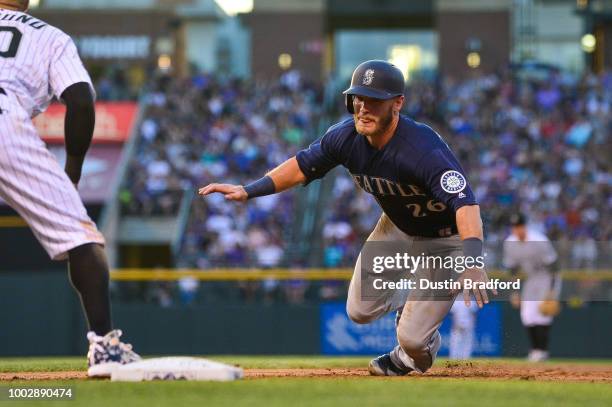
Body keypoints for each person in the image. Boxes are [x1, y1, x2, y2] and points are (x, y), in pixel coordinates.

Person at [200, 60, 496, 375]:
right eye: (358, 98)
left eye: (374, 101)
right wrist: (249, 190)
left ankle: (407, 354)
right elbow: (302, 166)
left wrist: (473, 262)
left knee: (412, 341)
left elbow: (466, 205)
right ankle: (415, 302)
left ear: (397, 104)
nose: (363, 108)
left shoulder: (422, 150)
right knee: (359, 310)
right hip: (397, 227)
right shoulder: (344, 136)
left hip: (445, 239)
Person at [0, 1, 139, 376]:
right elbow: (80, 99)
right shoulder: (49, 37)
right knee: (81, 238)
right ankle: (105, 348)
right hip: (5, 127)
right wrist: (72, 172)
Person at [503, 213, 560, 362]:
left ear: (525, 226)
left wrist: (552, 290)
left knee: (542, 313)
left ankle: (543, 351)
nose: (517, 229)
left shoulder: (539, 240)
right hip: (531, 278)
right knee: (527, 315)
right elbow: (513, 270)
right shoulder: (510, 242)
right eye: (514, 227)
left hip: (547, 277)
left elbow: (553, 266)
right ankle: (535, 351)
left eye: (519, 226)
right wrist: (514, 292)